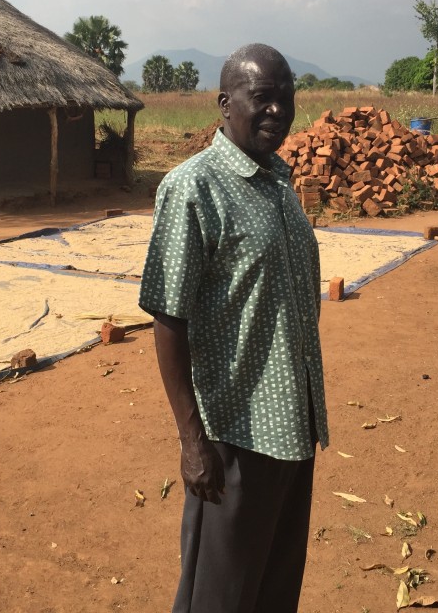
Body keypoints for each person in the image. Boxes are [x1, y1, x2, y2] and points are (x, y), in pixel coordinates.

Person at [139, 43, 329, 613]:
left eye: (286, 98)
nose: (278, 111)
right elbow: (168, 316)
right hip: (234, 435)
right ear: (226, 104)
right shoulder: (194, 187)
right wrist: (192, 440)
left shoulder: (278, 182)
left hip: (293, 425)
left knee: (275, 582)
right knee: (219, 595)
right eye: (262, 98)